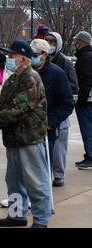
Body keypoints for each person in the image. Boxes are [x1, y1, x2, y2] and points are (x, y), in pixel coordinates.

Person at [0, 40, 52, 228]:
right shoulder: (12, 80)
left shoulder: (31, 78)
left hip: (29, 139)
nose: (8, 59)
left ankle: (41, 221)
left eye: (12, 56)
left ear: (24, 59)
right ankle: (17, 215)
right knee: (14, 181)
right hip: (13, 139)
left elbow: (18, 109)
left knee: (36, 183)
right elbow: (2, 105)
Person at [30, 39, 74, 187]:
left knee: (46, 165)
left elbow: (67, 103)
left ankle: (51, 184)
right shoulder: (26, 72)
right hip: (27, 128)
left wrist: (51, 122)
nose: (32, 57)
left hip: (47, 127)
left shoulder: (57, 74)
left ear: (45, 55)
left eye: (36, 54)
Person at [44, 32, 79, 185]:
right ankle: (47, 172)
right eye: (47, 41)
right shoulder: (43, 61)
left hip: (59, 108)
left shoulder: (64, 62)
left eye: (52, 41)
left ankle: (59, 174)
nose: (50, 44)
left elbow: (73, 85)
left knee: (59, 146)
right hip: (47, 109)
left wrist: (60, 88)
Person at [72, 31, 92, 170]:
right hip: (88, 99)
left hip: (86, 100)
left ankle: (90, 157)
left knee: (87, 129)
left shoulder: (85, 58)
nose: (74, 43)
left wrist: (81, 100)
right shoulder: (87, 56)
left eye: (76, 41)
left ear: (80, 42)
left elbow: (86, 81)